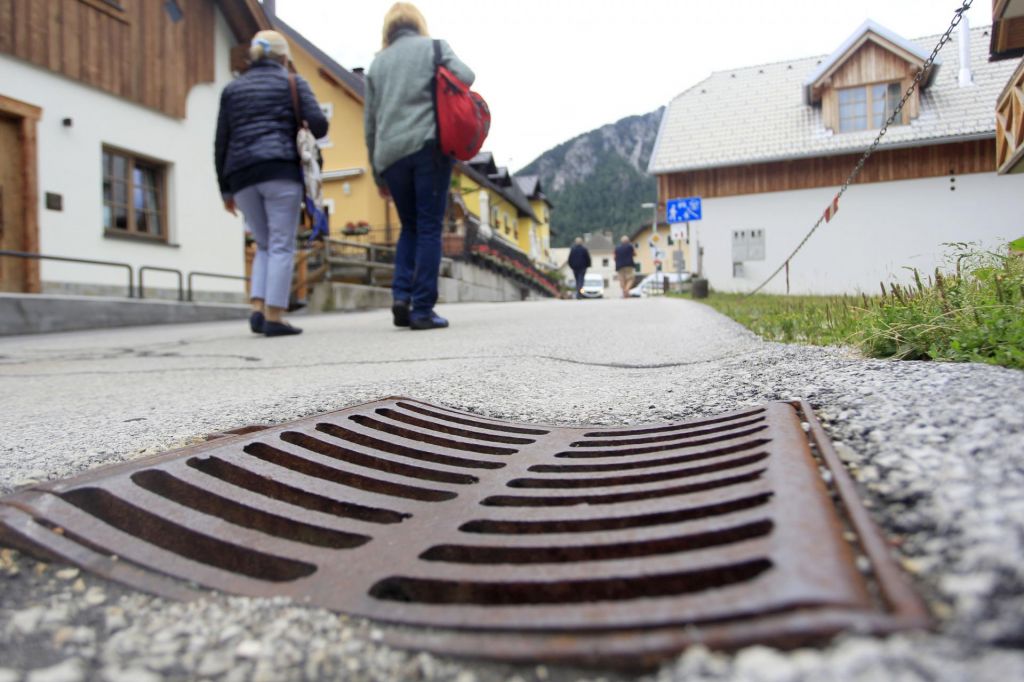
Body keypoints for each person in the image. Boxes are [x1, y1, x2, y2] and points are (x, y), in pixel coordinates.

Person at [364, 3, 474, 330]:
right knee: (428, 226)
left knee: (409, 227)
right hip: (428, 147)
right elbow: (466, 76)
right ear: (418, 23)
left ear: (388, 29)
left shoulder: (376, 65)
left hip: (391, 156)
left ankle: (401, 297)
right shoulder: (435, 48)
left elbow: (369, 124)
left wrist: (377, 172)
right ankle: (423, 308)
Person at [215, 30, 327, 337]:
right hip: (280, 171)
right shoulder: (292, 82)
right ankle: (275, 316)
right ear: (283, 57)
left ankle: (257, 308)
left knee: (263, 244)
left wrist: (225, 189)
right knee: (280, 244)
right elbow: (319, 124)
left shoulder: (232, 89)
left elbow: (221, 142)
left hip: (241, 176)